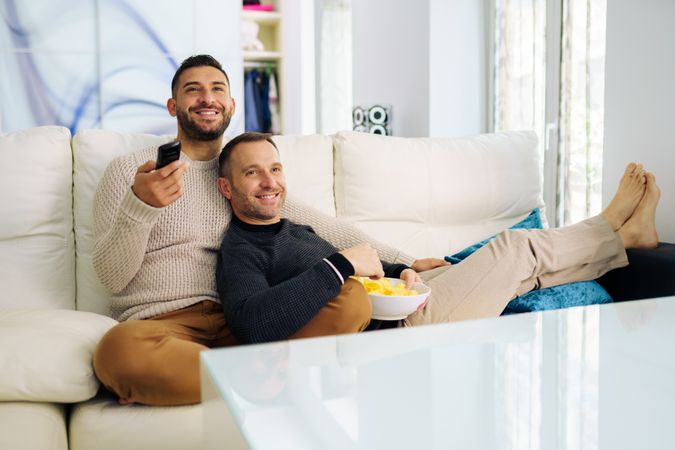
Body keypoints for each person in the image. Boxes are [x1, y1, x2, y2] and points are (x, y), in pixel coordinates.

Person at [91, 55, 432, 407]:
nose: (207, 98)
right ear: (173, 105)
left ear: (232, 105)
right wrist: (141, 206)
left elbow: (326, 228)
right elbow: (111, 277)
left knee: (352, 298)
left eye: (217, 89)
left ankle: (234, 377)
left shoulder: (243, 172)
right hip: (161, 327)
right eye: (193, 90)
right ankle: (254, 379)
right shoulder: (129, 172)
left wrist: (407, 261)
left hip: (246, 324)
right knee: (116, 352)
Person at [215, 132, 661, 344]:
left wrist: (402, 269)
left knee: (527, 272)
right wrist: (341, 265)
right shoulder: (240, 250)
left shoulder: (293, 228)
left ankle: (623, 241)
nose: (269, 182)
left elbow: (363, 273)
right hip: (396, 330)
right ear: (227, 187)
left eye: (275, 169)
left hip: (406, 301)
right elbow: (252, 322)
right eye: (252, 173)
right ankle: (611, 225)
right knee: (515, 247)